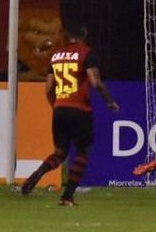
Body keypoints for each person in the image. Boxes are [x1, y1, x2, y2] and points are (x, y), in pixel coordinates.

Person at [19, 22, 120, 206]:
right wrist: (110, 101)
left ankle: (37, 175)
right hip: (80, 109)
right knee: (83, 151)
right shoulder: (86, 53)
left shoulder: (55, 56)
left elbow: (48, 88)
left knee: (59, 152)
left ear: (66, 37)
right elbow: (95, 82)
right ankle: (67, 197)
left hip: (60, 108)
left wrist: (55, 105)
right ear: (84, 35)